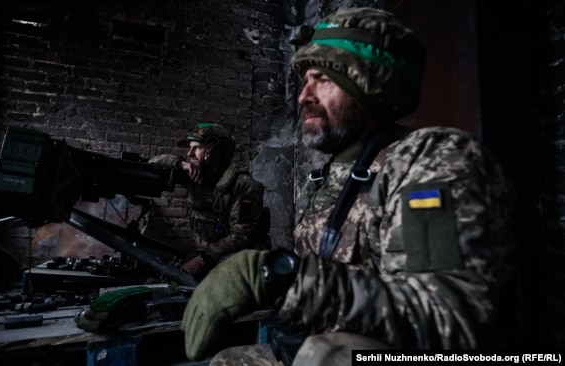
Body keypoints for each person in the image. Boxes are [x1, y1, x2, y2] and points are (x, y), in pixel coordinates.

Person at [180, 7, 518, 365]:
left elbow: (452, 319)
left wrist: (277, 276)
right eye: (304, 80)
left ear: (368, 81)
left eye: (322, 79)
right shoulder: (327, 177)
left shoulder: (430, 162)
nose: (303, 96)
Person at [149, 121, 271, 281]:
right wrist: (180, 164)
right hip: (210, 253)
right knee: (170, 279)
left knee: (220, 285)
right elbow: (152, 163)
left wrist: (204, 259)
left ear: (214, 152)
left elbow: (242, 236)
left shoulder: (243, 185)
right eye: (189, 148)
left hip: (242, 254)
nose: (189, 153)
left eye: (197, 147)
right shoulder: (193, 173)